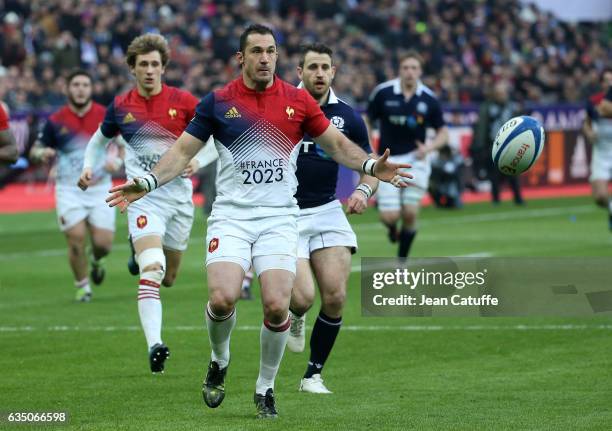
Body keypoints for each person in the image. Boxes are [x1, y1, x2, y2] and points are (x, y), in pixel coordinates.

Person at [105, 24, 411, 419]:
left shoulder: (297, 102)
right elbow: (182, 152)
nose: (265, 58)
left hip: (280, 218)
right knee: (222, 298)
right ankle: (219, 359)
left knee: (277, 307)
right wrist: (145, 182)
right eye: (257, 51)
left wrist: (370, 166)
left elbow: (335, 145)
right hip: (231, 216)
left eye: (271, 51)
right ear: (241, 57)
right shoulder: (218, 102)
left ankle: (265, 387)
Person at [78, 34, 217, 373]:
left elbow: (214, 138)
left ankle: (136, 250)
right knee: (152, 268)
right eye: (144, 64)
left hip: (179, 199)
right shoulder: (121, 106)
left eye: (156, 64)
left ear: (164, 67)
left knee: (168, 277)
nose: (150, 70)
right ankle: (155, 344)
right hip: (141, 197)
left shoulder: (184, 102)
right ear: (132, 68)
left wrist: (199, 161)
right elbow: (98, 142)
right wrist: (86, 167)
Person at [286, 43, 378, 395]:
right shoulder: (282, 107)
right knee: (303, 297)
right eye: (312, 67)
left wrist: (363, 192)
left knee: (337, 295)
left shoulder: (349, 117)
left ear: (333, 72)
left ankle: (313, 375)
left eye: (325, 67)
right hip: (285, 214)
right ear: (300, 72)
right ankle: (296, 314)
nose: (319, 73)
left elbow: (370, 167)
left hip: (326, 209)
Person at [29, 70, 122, 302]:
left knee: (103, 244)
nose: (80, 89)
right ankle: (83, 287)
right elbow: (34, 149)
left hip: (101, 188)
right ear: (67, 89)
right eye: (76, 85)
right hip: (69, 189)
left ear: (91, 89)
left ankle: (97, 260)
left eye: (85, 85)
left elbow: (122, 145)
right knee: (76, 238)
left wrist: (117, 161)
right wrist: (42, 153)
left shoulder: (105, 115)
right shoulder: (55, 120)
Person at [366, 51, 448, 260]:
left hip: (415, 160)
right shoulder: (383, 93)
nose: (410, 72)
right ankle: (392, 229)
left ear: (420, 71)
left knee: (410, 213)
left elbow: (443, 133)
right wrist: (369, 149)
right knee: (389, 216)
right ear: (399, 70)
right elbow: (367, 120)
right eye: (405, 68)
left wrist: (428, 149)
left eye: (414, 68)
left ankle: (401, 261)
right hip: (387, 161)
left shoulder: (429, 98)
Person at [473, 80, 524, 206]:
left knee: (513, 173)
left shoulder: (513, 107)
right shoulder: (487, 108)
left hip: (511, 144)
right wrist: (481, 146)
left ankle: (518, 198)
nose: (500, 95)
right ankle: (496, 199)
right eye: (498, 93)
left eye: (502, 93)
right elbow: (482, 127)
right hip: (493, 144)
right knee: (494, 174)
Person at [583, 68, 612, 230]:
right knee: (600, 197)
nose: (609, 83)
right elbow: (586, 122)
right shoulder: (594, 101)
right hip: (601, 151)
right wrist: (589, 132)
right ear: (601, 83)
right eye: (606, 80)